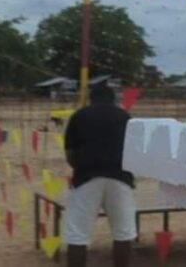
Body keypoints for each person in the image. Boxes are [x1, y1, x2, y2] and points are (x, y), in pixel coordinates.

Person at [63, 83, 135, 267]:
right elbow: (134, 150)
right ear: (114, 99)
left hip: (86, 177)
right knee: (123, 233)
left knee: (78, 235)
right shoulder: (125, 117)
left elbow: (70, 153)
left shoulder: (79, 116)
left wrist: (81, 166)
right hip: (120, 178)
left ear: (91, 98)